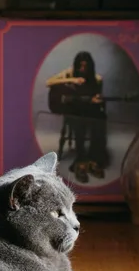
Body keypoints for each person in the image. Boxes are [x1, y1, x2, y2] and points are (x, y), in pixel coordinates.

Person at [45, 50, 107, 184]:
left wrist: (97, 100)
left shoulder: (97, 79)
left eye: (86, 66)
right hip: (73, 109)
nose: (82, 69)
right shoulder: (70, 72)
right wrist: (72, 79)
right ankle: (81, 160)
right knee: (78, 118)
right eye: (80, 66)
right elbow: (48, 83)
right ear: (76, 65)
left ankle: (93, 159)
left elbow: (96, 98)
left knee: (100, 116)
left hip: (88, 108)